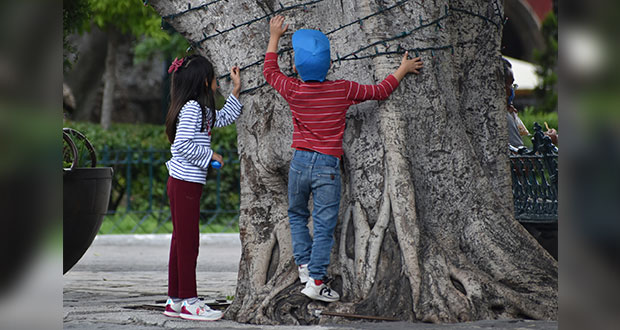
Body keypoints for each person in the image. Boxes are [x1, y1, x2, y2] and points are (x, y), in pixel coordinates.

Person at [263, 15, 423, 302]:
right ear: (330, 64)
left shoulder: (293, 89)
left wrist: (274, 36)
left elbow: (270, 71)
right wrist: (402, 68)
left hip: (299, 162)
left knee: (297, 214)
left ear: (297, 67)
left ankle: (302, 265)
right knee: (324, 225)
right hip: (327, 166)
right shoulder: (342, 89)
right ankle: (316, 279)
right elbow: (380, 92)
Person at [163, 55, 242, 321]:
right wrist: (211, 156)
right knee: (188, 244)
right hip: (184, 182)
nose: (217, 83)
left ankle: (175, 300)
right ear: (203, 81)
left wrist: (236, 91)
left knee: (180, 241)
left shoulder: (202, 110)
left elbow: (224, 117)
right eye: (215, 78)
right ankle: (190, 301)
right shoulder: (192, 109)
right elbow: (181, 145)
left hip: (186, 183)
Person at [503, 58, 558, 149]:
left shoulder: (508, 115)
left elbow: (523, 143)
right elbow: (522, 159)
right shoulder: (505, 118)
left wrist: (542, 138)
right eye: (510, 84)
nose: (512, 90)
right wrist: (545, 144)